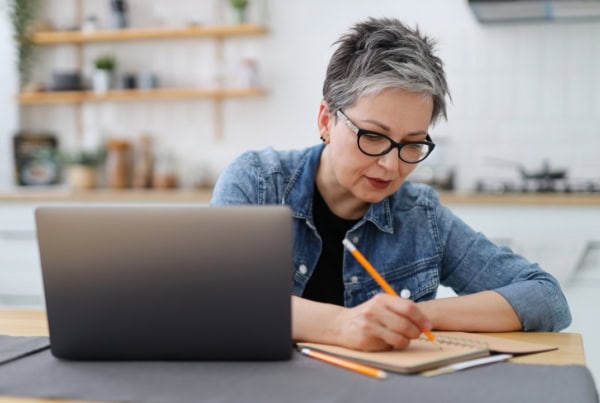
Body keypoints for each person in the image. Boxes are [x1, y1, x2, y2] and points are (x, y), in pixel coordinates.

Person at [210, 17, 571, 352]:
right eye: (373, 136)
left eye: (412, 143)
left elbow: (544, 297)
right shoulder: (257, 184)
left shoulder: (420, 216)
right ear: (325, 120)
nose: (391, 164)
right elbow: (217, 299)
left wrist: (412, 316)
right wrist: (341, 325)